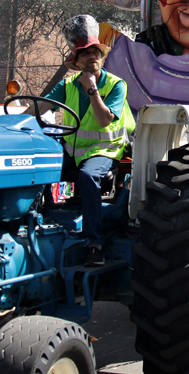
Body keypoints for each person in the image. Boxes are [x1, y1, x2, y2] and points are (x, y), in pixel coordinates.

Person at [31, 14, 135, 267]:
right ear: (76, 61)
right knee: (35, 167)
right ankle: (38, 224)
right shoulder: (67, 85)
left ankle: (94, 244)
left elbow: (102, 120)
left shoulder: (115, 85)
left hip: (106, 151)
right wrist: (15, 123)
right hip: (74, 152)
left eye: (96, 51)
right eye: (85, 53)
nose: (92, 56)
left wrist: (92, 90)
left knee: (88, 177)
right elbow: (38, 108)